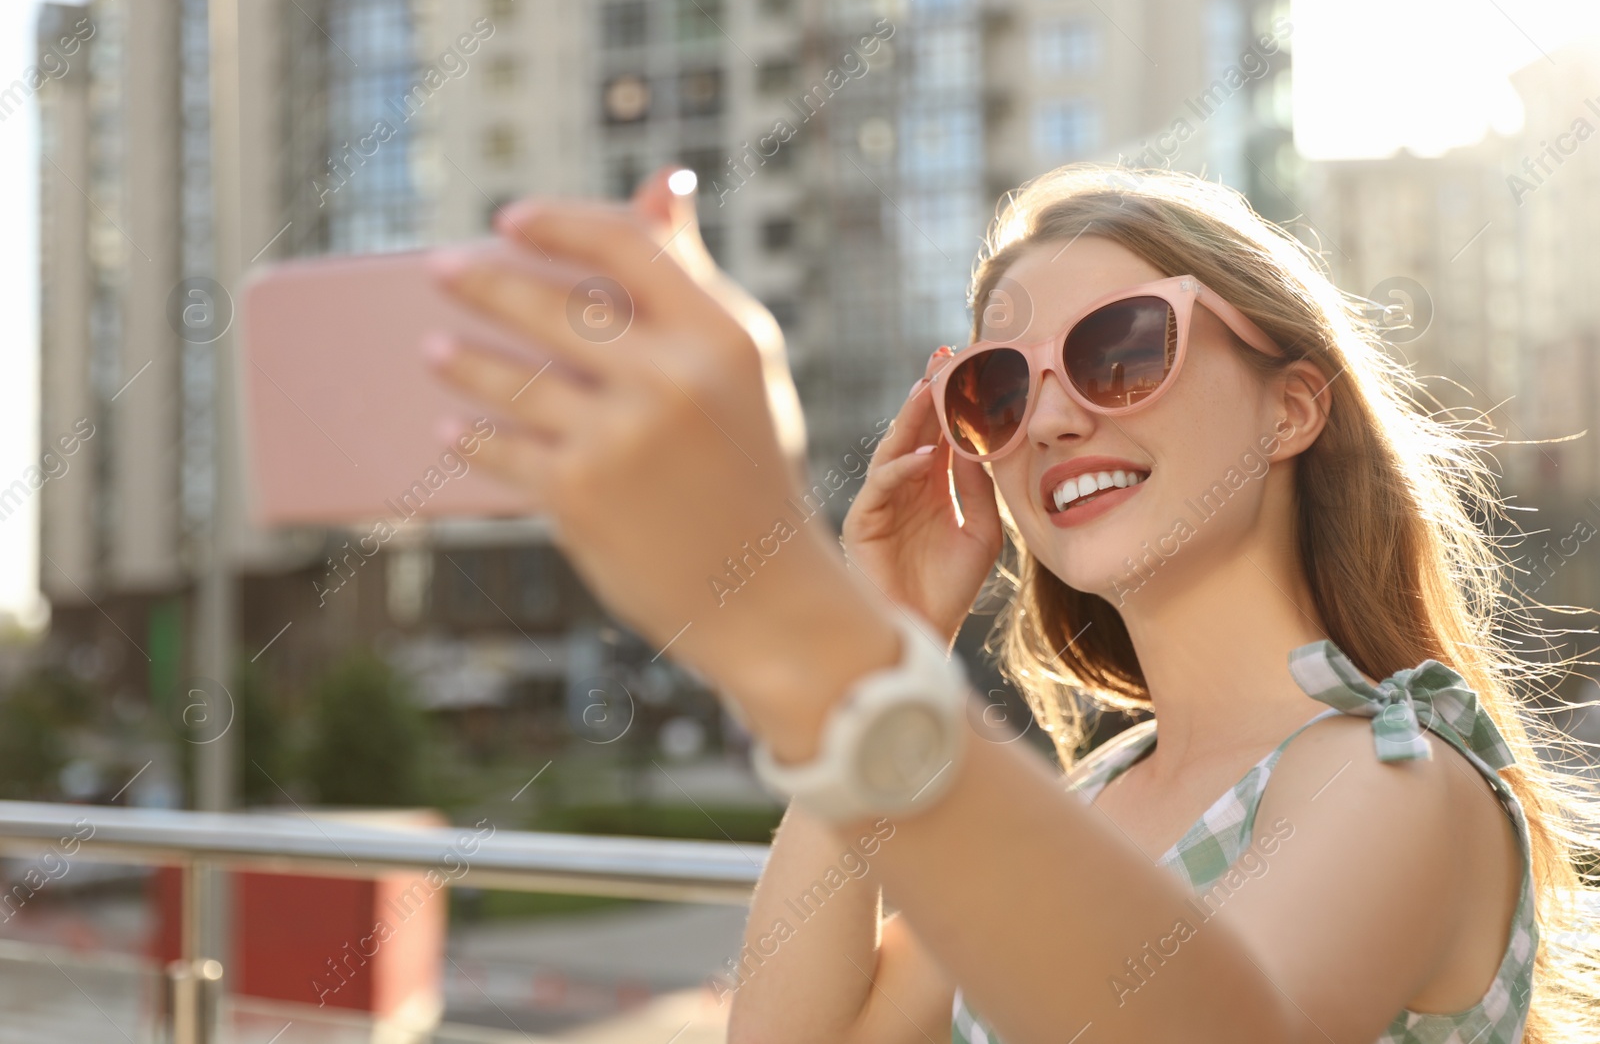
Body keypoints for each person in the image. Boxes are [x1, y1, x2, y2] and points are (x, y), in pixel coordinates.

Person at [423, 162, 1600, 1043]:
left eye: (1122, 347)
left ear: (1290, 408)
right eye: (995, 387)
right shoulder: (1082, 806)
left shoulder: (1395, 771)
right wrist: (887, 631)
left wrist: (800, 623)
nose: (1047, 419)